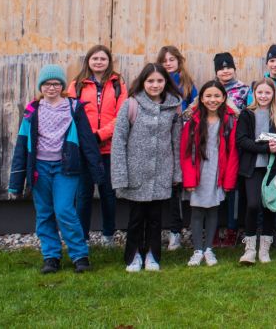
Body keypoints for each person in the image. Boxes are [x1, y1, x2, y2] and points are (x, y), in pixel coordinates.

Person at [8, 65, 104, 274]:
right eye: (47, 84)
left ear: (62, 86)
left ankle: (80, 255)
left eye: (56, 83)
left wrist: (97, 171)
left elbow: (87, 141)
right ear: (41, 86)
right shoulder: (32, 110)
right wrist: (15, 182)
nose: (51, 87)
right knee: (44, 213)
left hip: (66, 168)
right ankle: (51, 257)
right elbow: (22, 145)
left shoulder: (74, 108)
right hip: (39, 169)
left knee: (64, 210)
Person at [111, 63, 183, 272]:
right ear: (143, 82)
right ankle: (133, 255)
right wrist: (120, 175)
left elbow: (176, 142)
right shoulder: (131, 104)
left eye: (160, 81)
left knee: (155, 218)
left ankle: (152, 254)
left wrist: (176, 172)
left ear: (166, 82)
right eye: (150, 81)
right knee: (136, 218)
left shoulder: (173, 106)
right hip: (137, 171)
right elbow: (119, 141)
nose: (155, 85)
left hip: (161, 170)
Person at [68, 44, 127, 246]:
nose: (99, 62)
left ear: (109, 61)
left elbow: (122, 115)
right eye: (95, 59)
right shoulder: (77, 84)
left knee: (108, 194)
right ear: (88, 61)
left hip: (109, 147)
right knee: (83, 194)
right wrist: (86, 138)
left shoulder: (118, 83)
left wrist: (100, 135)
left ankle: (108, 235)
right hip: (84, 149)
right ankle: (82, 237)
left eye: (103, 59)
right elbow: (70, 115)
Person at [180, 80, 239, 267]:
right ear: (202, 98)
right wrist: (188, 178)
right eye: (208, 96)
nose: (212, 100)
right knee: (197, 211)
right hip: (198, 172)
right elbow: (185, 152)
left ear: (223, 98)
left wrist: (229, 181)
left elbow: (233, 153)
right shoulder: (193, 121)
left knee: (213, 210)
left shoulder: (229, 121)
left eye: (216, 96)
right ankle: (197, 249)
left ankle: (209, 249)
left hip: (217, 172)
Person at [235, 78, 276, 264]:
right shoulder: (246, 114)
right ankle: (249, 248)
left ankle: (264, 249)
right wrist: (265, 148)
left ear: (273, 94)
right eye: (260, 92)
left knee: (268, 206)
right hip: (253, 168)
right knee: (253, 205)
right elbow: (241, 140)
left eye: (268, 93)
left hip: (272, 168)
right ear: (254, 94)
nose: (264, 96)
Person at [156, 45, 196, 251]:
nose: (168, 63)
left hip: (182, 140)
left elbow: (196, 107)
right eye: (164, 60)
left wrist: (186, 113)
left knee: (175, 187)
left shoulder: (188, 84)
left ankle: (175, 232)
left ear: (179, 61)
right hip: (160, 140)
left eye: (172, 59)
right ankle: (157, 231)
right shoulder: (156, 82)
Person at [212, 52, 248, 248]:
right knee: (214, 185)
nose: (225, 71)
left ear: (234, 68)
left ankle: (233, 229)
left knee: (232, 188)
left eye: (228, 67)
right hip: (213, 145)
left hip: (235, 144)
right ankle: (216, 229)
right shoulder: (211, 89)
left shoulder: (244, 90)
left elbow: (246, 114)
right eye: (221, 68)